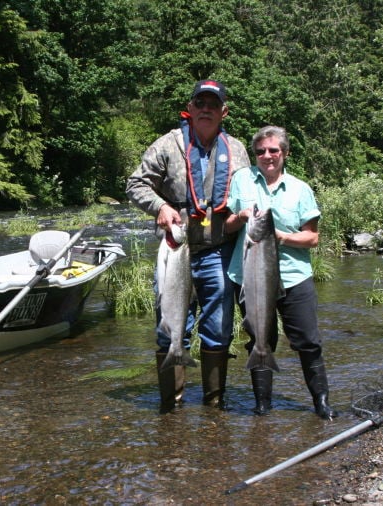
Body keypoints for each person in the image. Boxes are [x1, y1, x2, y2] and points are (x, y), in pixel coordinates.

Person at [126, 80, 251, 413]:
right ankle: (171, 406)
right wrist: (160, 207)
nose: (206, 109)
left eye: (213, 104)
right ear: (191, 108)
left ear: (223, 111)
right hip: (175, 250)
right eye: (200, 103)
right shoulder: (168, 144)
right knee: (169, 328)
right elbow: (136, 184)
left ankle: (214, 405)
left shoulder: (237, 149)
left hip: (219, 250)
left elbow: (247, 196)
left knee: (218, 328)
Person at [224, 125, 338, 420]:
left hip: (294, 276)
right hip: (249, 275)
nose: (267, 156)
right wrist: (241, 217)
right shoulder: (242, 180)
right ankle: (262, 406)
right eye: (261, 151)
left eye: (274, 150)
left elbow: (312, 238)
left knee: (308, 341)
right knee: (260, 338)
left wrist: (279, 237)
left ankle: (321, 404)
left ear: (285, 153)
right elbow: (227, 225)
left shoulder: (301, 189)